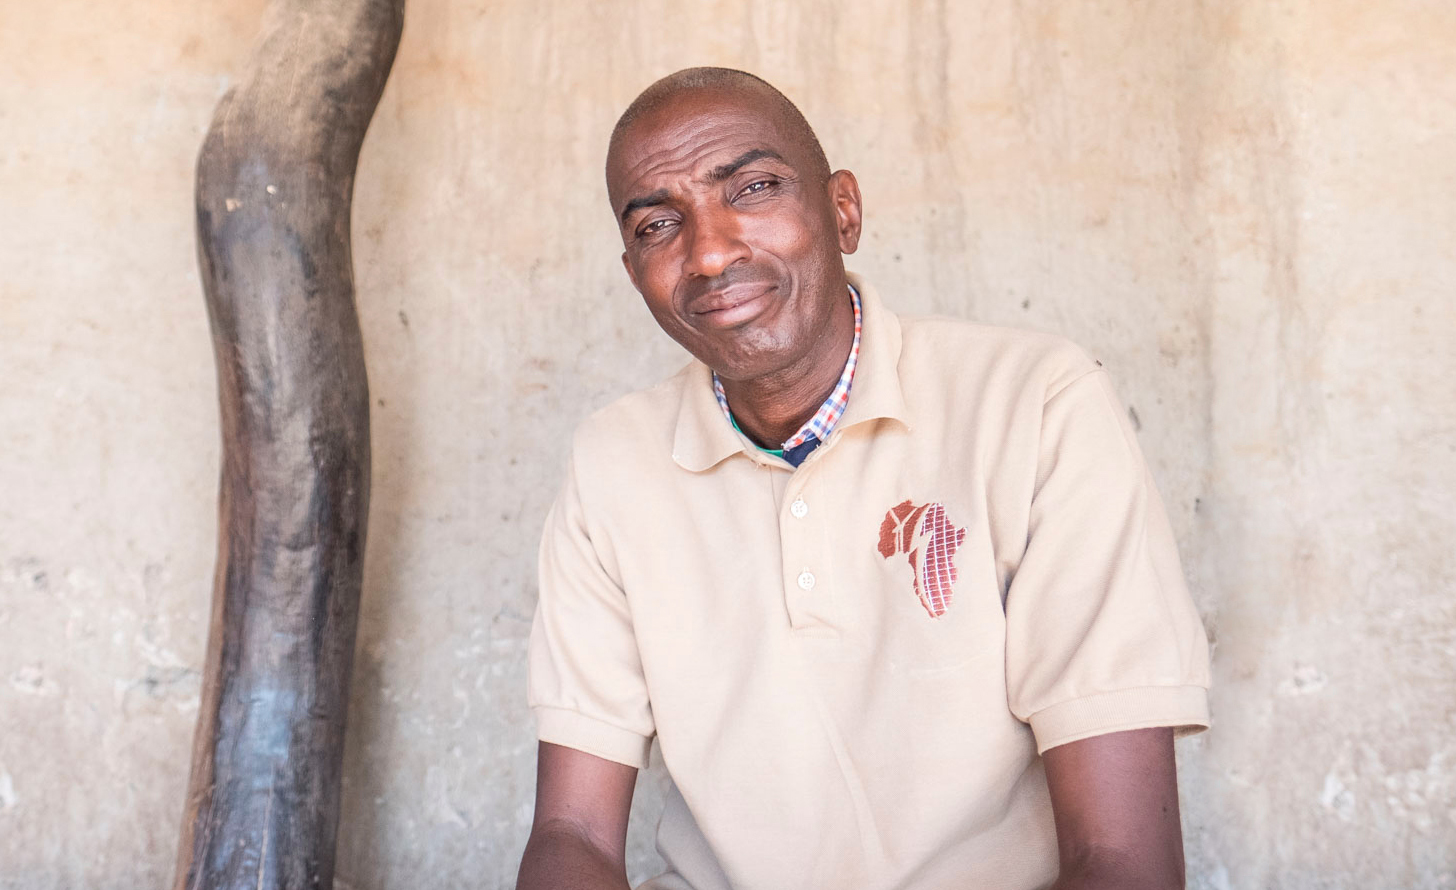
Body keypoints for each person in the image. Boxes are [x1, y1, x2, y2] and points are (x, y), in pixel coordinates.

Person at [517, 67, 1210, 890]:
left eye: (753, 188)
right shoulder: (613, 462)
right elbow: (573, 832)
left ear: (843, 210)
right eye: (658, 225)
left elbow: (1123, 861)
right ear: (635, 273)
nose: (709, 251)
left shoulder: (1035, 406)